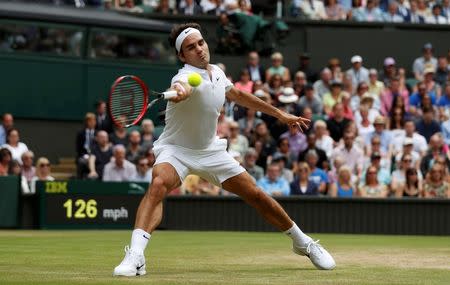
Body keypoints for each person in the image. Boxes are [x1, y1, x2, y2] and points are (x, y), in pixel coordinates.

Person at [113, 23, 335, 277]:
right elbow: (183, 89)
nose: (199, 49)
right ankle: (136, 256)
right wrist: (180, 92)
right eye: (190, 47)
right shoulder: (182, 77)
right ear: (182, 56)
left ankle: (302, 242)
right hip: (176, 149)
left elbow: (239, 96)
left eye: (200, 43)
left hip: (211, 151)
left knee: (256, 195)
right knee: (158, 184)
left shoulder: (217, 73)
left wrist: (280, 114)